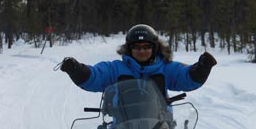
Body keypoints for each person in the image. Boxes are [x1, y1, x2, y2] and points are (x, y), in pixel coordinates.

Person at [59, 24, 217, 96]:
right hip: (121, 128)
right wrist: (77, 69)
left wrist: (202, 68)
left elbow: (185, 76)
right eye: (136, 47)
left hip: (161, 127)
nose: (142, 51)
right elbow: (96, 76)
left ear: (154, 48)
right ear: (130, 49)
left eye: (146, 46)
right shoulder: (115, 69)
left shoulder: (166, 68)